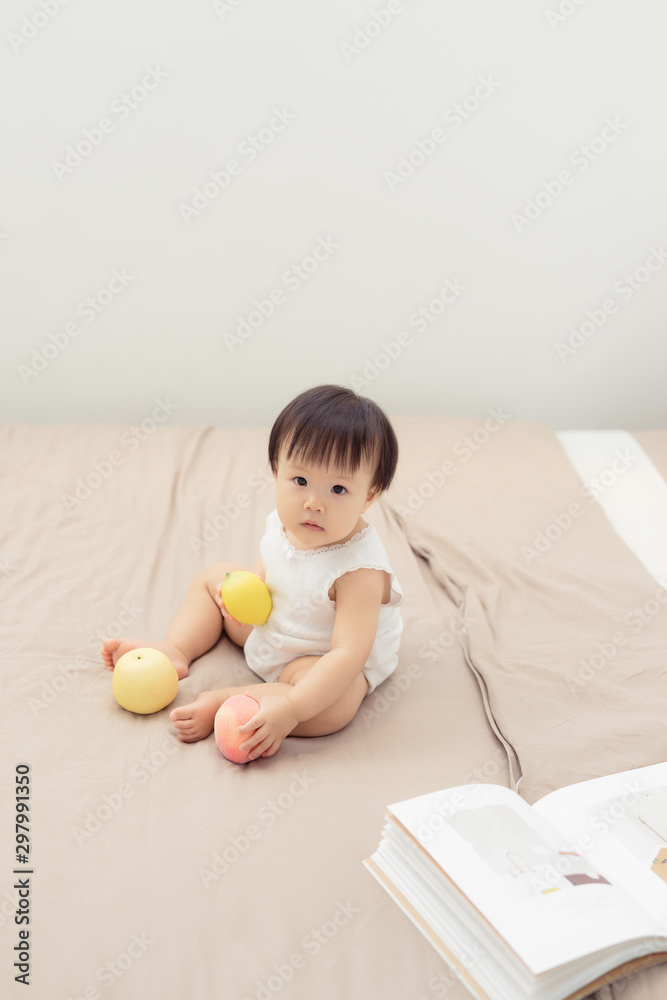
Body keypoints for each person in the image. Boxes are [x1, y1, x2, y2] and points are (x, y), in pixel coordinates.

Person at [100, 384, 404, 760]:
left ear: (370, 495)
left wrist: (293, 710)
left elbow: (348, 653)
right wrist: (249, 592)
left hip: (316, 658)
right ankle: (176, 648)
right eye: (300, 481)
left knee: (336, 705)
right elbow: (273, 564)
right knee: (216, 575)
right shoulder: (286, 520)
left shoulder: (360, 571)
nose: (313, 503)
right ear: (277, 471)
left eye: (338, 489)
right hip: (273, 623)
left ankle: (231, 704)